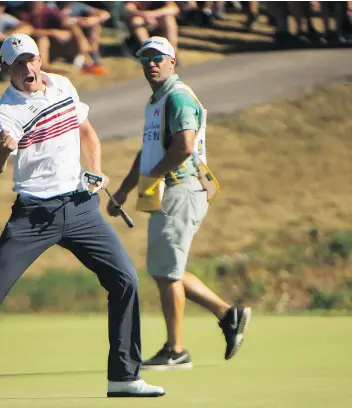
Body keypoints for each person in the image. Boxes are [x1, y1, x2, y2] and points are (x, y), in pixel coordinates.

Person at [0, 33, 165, 401]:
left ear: (39, 59)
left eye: (31, 59)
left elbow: (85, 130)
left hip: (80, 207)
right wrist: (3, 151)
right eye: (18, 63)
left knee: (125, 280)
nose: (28, 68)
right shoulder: (5, 113)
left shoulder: (62, 84)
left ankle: (124, 376)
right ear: (6, 69)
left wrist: (95, 167)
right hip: (32, 215)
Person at [106, 36, 251, 370]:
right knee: (165, 269)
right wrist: (127, 190)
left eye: (158, 57)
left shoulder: (177, 97)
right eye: (145, 58)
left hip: (180, 188)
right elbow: (149, 151)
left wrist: (151, 178)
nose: (151, 63)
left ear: (173, 61)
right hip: (171, 190)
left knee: (166, 272)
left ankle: (176, 351)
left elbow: (183, 147)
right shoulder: (157, 100)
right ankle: (228, 315)